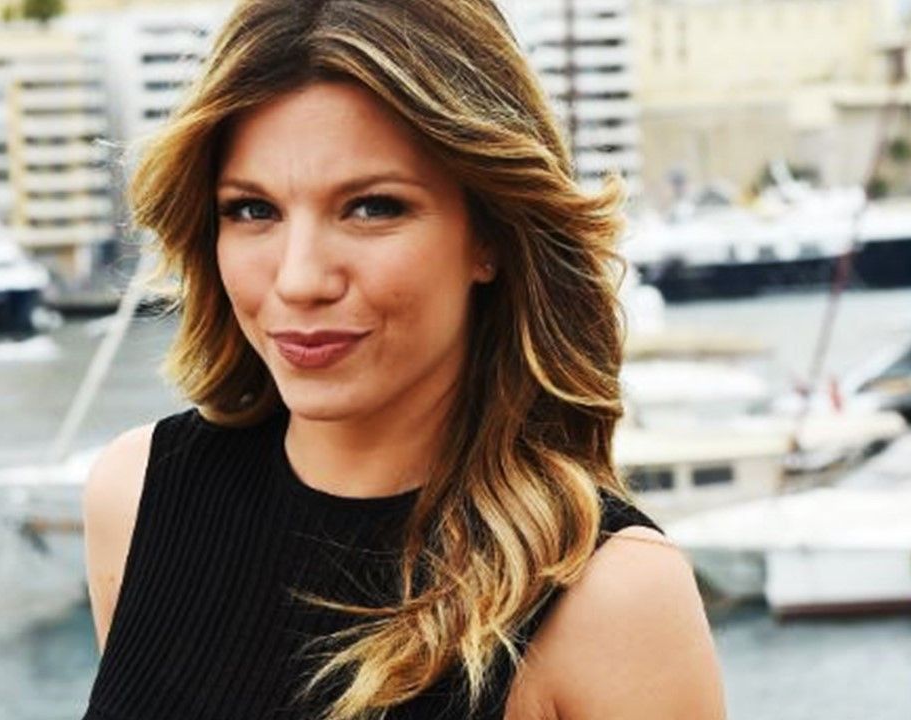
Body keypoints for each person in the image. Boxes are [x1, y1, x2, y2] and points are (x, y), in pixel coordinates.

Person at [82, 1, 725, 718]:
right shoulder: (136, 496)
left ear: (490, 234)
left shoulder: (612, 598)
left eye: (372, 207)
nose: (300, 279)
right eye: (253, 210)